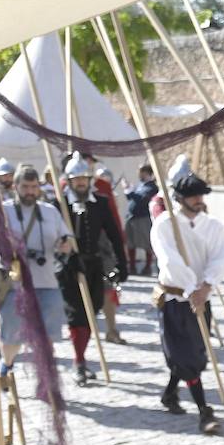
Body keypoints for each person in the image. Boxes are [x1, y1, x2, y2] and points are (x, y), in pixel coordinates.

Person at [152, 172, 224, 435]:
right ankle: (204, 411)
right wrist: (190, 287)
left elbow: (220, 257)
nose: (198, 200)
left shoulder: (213, 226)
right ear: (180, 198)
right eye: (192, 195)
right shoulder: (164, 225)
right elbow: (169, 260)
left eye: (200, 195)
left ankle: (170, 394)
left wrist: (206, 285)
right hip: (175, 298)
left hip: (201, 298)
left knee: (195, 353)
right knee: (185, 355)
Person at [0, 167, 72, 377]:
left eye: (34, 187)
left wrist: (65, 245)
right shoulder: (2, 212)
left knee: (47, 335)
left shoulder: (50, 211)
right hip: (15, 285)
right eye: (25, 187)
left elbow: (65, 239)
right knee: (12, 336)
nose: (30, 191)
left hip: (47, 281)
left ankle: (45, 377)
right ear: (15, 187)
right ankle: (7, 364)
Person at [58, 152, 126, 384]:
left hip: (93, 265)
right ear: (69, 180)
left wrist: (122, 263)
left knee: (91, 312)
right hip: (69, 267)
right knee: (76, 315)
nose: (80, 183)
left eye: (84, 180)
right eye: (76, 180)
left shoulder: (101, 204)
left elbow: (114, 234)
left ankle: (81, 358)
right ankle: (79, 361)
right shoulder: (60, 204)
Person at [91, 164, 128, 345]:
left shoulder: (102, 186)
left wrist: (119, 242)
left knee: (109, 289)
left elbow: (112, 215)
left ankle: (111, 329)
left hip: (103, 246)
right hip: (78, 249)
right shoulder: (64, 187)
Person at [124, 164, 158, 276]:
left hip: (143, 218)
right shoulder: (140, 185)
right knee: (130, 243)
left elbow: (143, 199)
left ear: (146, 172)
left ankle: (147, 267)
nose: (138, 174)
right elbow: (132, 198)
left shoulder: (152, 187)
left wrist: (131, 192)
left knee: (146, 244)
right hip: (132, 217)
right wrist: (128, 190)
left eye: (140, 172)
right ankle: (132, 267)